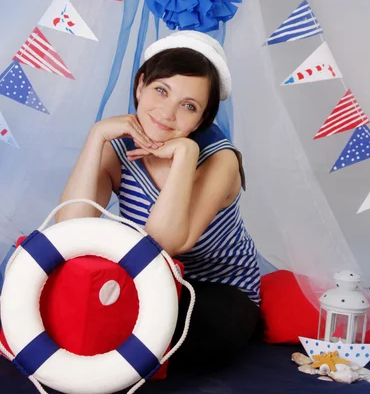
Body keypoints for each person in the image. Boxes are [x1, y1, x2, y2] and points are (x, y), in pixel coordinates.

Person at [57, 30, 261, 370]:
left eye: (189, 106)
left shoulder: (218, 160)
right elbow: (71, 228)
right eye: (161, 90)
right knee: (73, 306)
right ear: (140, 85)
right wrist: (97, 137)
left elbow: (164, 242)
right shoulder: (118, 144)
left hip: (216, 287)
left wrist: (185, 153)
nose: (167, 113)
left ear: (202, 119)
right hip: (148, 279)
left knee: (185, 335)